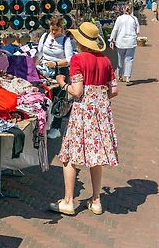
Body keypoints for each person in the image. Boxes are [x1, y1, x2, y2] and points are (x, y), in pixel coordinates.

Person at [49, 22, 118, 216]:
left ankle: (68, 201)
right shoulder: (105, 61)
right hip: (101, 114)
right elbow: (114, 90)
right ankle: (96, 200)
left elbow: (77, 91)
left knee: (70, 155)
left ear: (80, 41)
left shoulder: (78, 60)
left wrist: (62, 83)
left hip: (82, 113)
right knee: (96, 157)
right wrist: (98, 97)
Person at [109, 4, 139, 86]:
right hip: (131, 42)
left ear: (123, 10)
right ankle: (128, 77)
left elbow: (115, 29)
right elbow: (137, 31)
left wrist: (112, 40)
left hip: (120, 41)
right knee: (129, 59)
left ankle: (120, 75)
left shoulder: (120, 18)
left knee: (120, 58)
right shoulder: (134, 19)